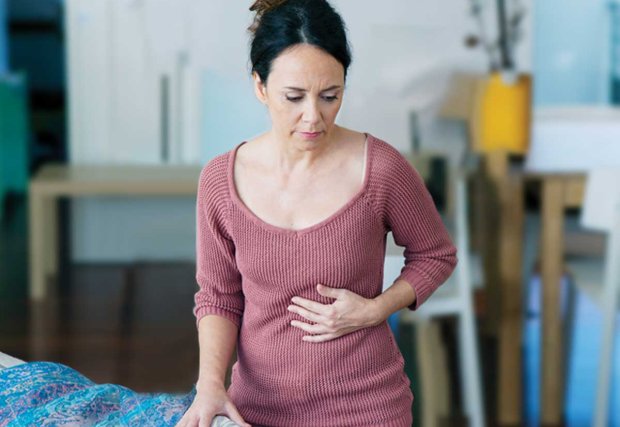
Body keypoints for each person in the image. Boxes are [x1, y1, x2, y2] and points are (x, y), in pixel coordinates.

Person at [176, 1, 457, 426]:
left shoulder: (380, 168)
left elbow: (436, 255)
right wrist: (210, 384)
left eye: (330, 96)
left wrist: (377, 308)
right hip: (257, 409)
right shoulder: (221, 180)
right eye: (294, 97)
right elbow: (218, 296)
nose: (314, 117)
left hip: (367, 407)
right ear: (260, 86)